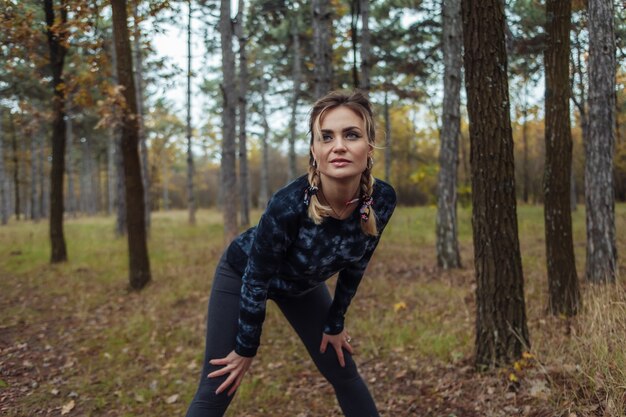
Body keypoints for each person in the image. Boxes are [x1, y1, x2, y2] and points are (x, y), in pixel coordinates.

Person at [185, 90, 397, 417]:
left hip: (301, 285)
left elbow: (357, 264)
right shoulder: (289, 203)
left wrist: (334, 322)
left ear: (368, 148)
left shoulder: (381, 200)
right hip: (243, 274)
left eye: (351, 135)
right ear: (314, 150)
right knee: (219, 385)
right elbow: (256, 279)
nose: (338, 145)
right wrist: (245, 348)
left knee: (342, 367)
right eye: (326, 137)